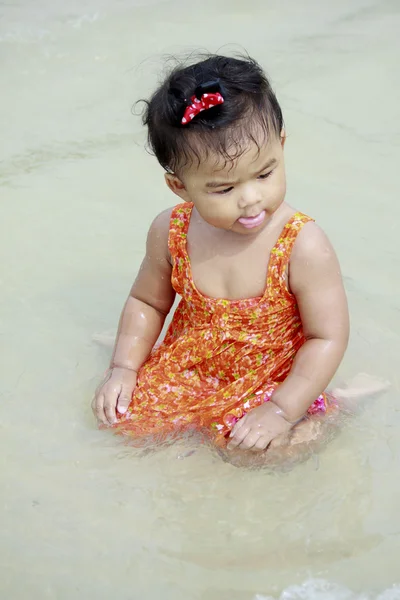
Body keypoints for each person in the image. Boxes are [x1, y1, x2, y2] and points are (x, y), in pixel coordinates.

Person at [92, 53, 351, 454]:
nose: (251, 199)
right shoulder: (170, 230)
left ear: (281, 146)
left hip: (275, 378)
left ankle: (344, 401)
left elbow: (326, 337)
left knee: (260, 453)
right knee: (121, 420)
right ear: (179, 187)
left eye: (265, 173)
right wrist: (123, 368)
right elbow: (147, 301)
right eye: (223, 189)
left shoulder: (302, 245)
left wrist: (281, 410)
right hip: (193, 366)